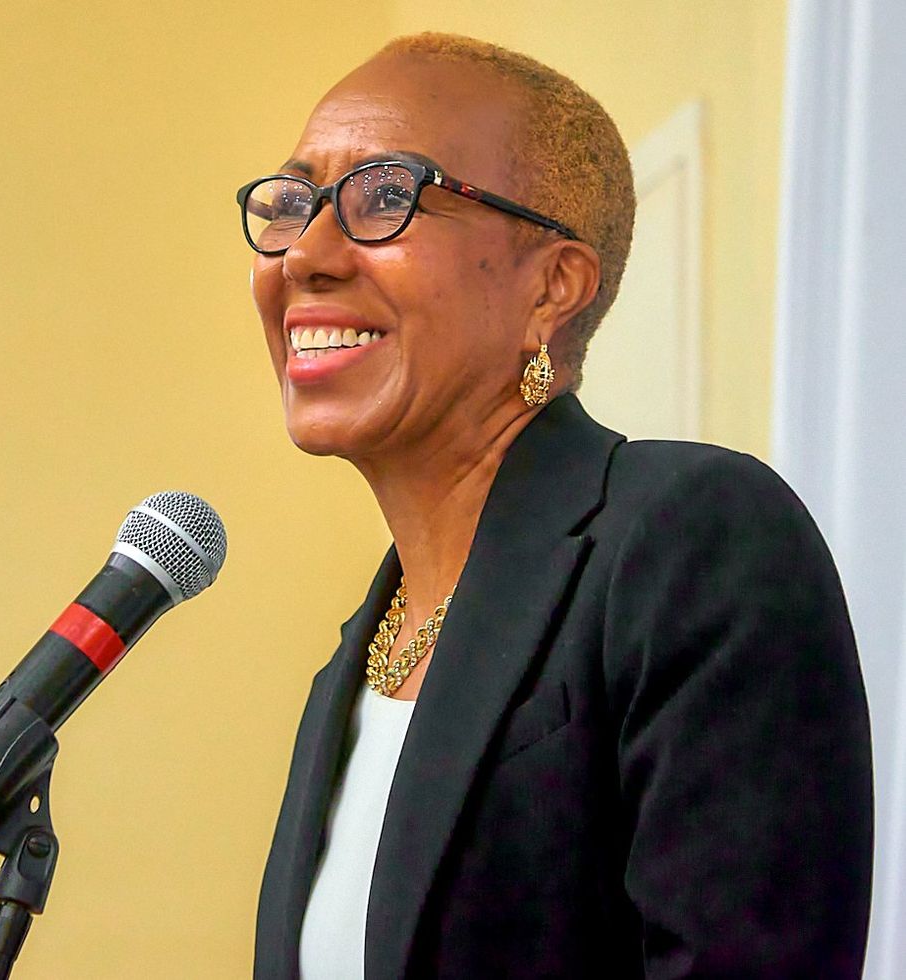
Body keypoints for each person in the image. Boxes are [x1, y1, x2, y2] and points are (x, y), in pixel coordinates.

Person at [242, 33, 873, 979]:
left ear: (553, 287)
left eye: (384, 196)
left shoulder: (692, 538)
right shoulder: (355, 660)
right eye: (291, 204)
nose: (306, 254)